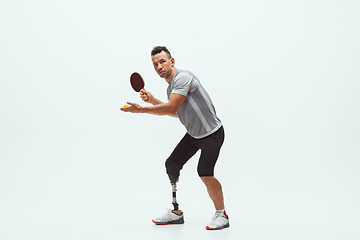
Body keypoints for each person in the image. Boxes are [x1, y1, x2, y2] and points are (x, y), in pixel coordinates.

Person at [120, 46, 229, 230]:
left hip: (212, 134)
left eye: (162, 61)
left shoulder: (183, 78)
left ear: (172, 61)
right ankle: (176, 212)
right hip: (194, 135)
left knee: (205, 173)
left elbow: (170, 108)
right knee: (172, 164)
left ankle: (222, 215)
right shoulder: (171, 89)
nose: (159, 66)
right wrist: (153, 101)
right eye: (155, 64)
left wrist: (141, 109)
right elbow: (177, 113)